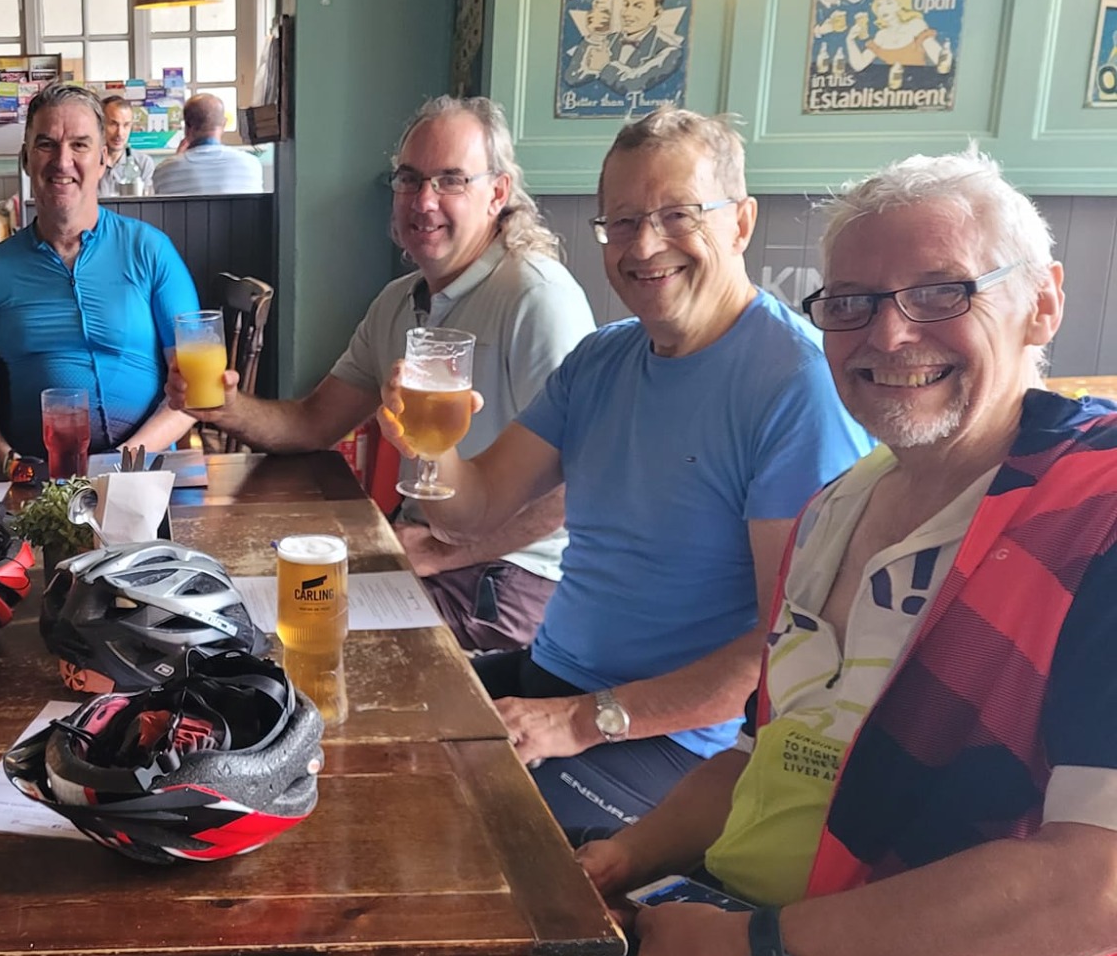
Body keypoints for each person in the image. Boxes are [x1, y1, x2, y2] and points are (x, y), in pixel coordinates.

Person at [337, 146, 1116, 956]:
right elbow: (767, 754)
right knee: (469, 911)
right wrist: (627, 859)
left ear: (1042, 300)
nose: (887, 334)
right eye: (852, 302)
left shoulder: (1095, 520)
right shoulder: (845, 506)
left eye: (939, 292)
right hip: (753, 914)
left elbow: (1097, 885)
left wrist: (763, 952)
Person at [397, 108, 869, 835]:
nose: (644, 246)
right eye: (621, 222)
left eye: (678, 215)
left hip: (673, 739)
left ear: (741, 223)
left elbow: (787, 643)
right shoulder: (602, 358)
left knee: (451, 827)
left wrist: (581, 721)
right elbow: (474, 509)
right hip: (551, 679)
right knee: (361, 732)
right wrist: (431, 445)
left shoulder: (795, 385)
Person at [169, 95, 596, 652]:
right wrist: (225, 408)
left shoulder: (536, 297)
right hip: (421, 550)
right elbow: (312, 423)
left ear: (497, 193)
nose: (424, 200)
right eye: (409, 179)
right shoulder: (398, 301)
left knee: (300, 646)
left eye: (450, 180)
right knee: (243, 614)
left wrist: (445, 552)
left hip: (512, 578)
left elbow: (582, 488)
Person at [0, 82, 199, 467]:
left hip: (143, 472)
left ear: (103, 159)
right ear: (26, 159)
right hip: (35, 479)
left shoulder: (151, 251)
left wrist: (124, 463)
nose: (62, 161)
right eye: (46, 145)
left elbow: (194, 388)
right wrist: (13, 466)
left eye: (79, 145)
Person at [149, 95, 265, 196]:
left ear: (187, 127)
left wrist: (176, 160)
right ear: (224, 124)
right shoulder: (251, 164)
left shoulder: (164, 170)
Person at [96, 93, 154, 197]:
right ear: (100, 124)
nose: (120, 133)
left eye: (126, 125)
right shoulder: (88, 162)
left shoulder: (143, 163)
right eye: (113, 124)